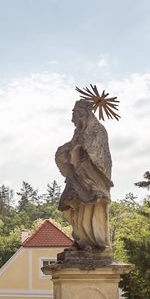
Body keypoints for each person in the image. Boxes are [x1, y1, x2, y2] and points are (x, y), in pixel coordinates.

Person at [55, 99, 113, 251]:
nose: (74, 118)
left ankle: (95, 242)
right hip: (77, 175)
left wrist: (83, 144)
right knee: (70, 206)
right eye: (74, 113)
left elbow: (100, 153)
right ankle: (81, 240)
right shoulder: (78, 132)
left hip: (92, 176)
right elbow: (72, 146)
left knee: (92, 204)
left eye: (76, 113)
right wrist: (65, 150)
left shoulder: (98, 130)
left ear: (85, 112)